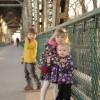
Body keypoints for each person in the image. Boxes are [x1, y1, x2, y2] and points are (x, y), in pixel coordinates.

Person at [40, 28, 69, 100]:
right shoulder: (50, 45)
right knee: (46, 83)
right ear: (54, 37)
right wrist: (60, 60)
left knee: (56, 85)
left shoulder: (63, 46)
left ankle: (55, 98)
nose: (59, 39)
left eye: (62, 37)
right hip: (48, 67)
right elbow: (49, 57)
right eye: (57, 37)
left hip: (56, 69)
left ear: (65, 38)